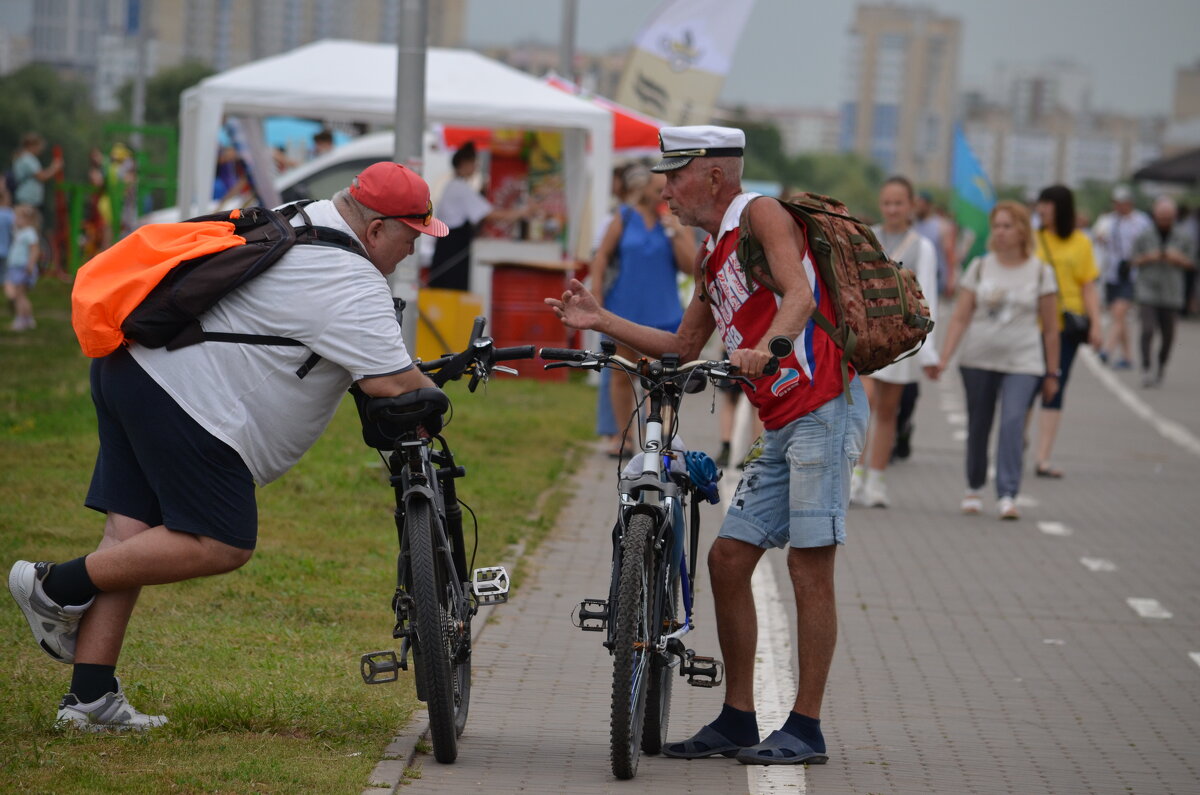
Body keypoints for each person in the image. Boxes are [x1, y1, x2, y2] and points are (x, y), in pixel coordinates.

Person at [7, 162, 448, 731]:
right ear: (378, 228)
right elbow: (390, 383)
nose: (412, 251)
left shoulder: (304, 219)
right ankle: (54, 584)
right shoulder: (350, 277)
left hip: (131, 366)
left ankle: (88, 701)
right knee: (223, 541)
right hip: (185, 395)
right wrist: (435, 388)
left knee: (129, 540)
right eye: (412, 237)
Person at [546, 125, 869, 766]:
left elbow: (799, 295)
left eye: (675, 175)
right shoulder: (712, 251)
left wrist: (767, 349)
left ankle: (805, 727)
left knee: (808, 566)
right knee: (726, 560)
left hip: (822, 411)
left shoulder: (761, 213)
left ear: (714, 177)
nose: (664, 189)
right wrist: (599, 320)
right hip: (782, 424)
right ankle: (739, 718)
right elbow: (682, 346)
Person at [935, 201, 1060, 520]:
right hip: (977, 359)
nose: (1001, 232)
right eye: (997, 226)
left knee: (1013, 423)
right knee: (979, 424)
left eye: (1008, 226)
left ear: (1022, 230)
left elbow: (1050, 330)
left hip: (1024, 362)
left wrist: (1052, 373)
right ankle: (974, 487)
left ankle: (1007, 493)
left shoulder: (1041, 272)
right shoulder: (980, 266)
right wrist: (945, 356)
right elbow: (961, 317)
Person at [589, 164, 695, 455]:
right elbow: (601, 258)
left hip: (662, 313)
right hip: (623, 308)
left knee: (657, 381)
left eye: (667, 188)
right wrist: (596, 294)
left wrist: (675, 233)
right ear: (645, 188)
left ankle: (658, 440)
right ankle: (622, 440)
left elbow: (690, 268)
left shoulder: (677, 220)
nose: (663, 193)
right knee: (621, 376)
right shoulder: (624, 216)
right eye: (657, 187)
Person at [851, 176, 939, 507]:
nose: (892, 209)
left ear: (911, 205)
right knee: (864, 404)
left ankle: (877, 479)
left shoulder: (922, 246)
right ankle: (856, 476)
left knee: (888, 412)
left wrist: (928, 350)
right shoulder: (867, 238)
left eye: (899, 203)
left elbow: (927, 294)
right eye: (887, 203)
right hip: (868, 338)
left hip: (900, 340)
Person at [1032, 185, 1102, 479]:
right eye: (1040, 203)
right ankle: (1016, 444)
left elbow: (1088, 285)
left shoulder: (1081, 242)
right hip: (1032, 324)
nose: (1041, 209)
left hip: (1067, 326)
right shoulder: (1033, 239)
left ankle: (1043, 457)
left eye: (1047, 203)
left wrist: (1096, 324)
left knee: (1054, 385)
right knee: (1026, 385)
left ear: (1061, 207)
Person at [428, 141, 523, 291]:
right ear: (464, 163)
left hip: (449, 246)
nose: (476, 166)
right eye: (474, 162)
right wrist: (522, 213)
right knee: (450, 291)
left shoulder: (453, 185)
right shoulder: (460, 187)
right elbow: (490, 215)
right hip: (452, 249)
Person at [1130, 196, 1196, 387]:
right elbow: (1132, 260)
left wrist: (1178, 259)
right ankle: (1146, 367)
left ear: (1174, 217)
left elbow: (1192, 263)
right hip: (1147, 289)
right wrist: (1149, 257)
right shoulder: (1144, 235)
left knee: (1168, 335)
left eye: (1168, 218)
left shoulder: (1183, 236)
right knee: (1148, 329)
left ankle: (1161, 366)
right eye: (1161, 217)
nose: (1165, 221)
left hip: (1171, 291)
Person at [1093, 186, 1152, 369]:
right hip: (1112, 273)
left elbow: (1149, 243)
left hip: (1132, 273)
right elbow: (1098, 239)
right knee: (1119, 317)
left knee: (1119, 312)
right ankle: (1127, 357)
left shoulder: (1142, 221)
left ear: (1129, 203)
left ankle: (1107, 351)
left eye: (1122, 203)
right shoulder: (1109, 221)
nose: (1118, 206)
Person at [4, 203, 40, 331]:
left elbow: (35, 250)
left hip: (23, 269)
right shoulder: (21, 232)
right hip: (17, 268)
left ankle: (21, 319)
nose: (16, 220)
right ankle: (28, 319)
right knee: (20, 295)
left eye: (18, 218)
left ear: (27, 220)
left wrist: (30, 264)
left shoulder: (29, 233)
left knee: (20, 296)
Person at [11, 132, 63, 210]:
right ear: (32, 145)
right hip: (27, 199)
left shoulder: (24, 157)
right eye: (39, 146)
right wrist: (55, 168)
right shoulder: (28, 158)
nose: (41, 149)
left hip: (27, 198)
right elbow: (41, 176)